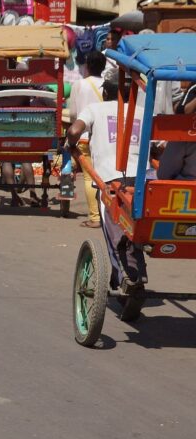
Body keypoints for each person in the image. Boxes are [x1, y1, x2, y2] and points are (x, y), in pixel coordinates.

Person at [66, 75, 147, 294]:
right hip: (145, 180)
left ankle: (126, 276)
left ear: (105, 94)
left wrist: (69, 143)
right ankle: (130, 271)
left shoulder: (94, 109)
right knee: (136, 226)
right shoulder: (143, 112)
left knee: (115, 233)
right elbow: (160, 146)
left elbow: (74, 131)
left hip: (111, 181)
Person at [68, 51, 108, 227]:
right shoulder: (109, 85)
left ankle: (94, 218)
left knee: (86, 176)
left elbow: (73, 115)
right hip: (104, 137)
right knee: (102, 176)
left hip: (83, 136)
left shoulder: (79, 85)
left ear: (87, 66)